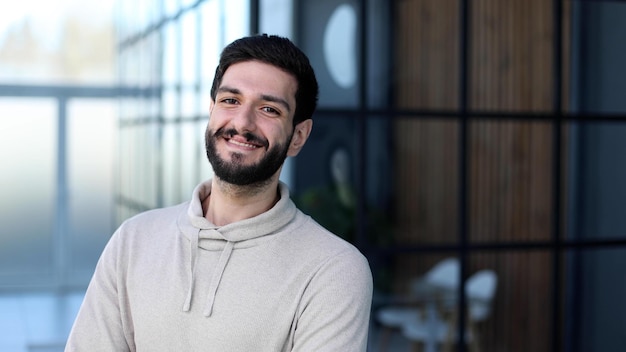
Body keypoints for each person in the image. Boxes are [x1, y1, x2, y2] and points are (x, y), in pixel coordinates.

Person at [65, 34, 373, 351]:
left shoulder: (334, 271)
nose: (242, 122)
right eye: (230, 101)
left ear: (298, 136)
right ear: (212, 110)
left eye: (268, 109)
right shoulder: (132, 240)